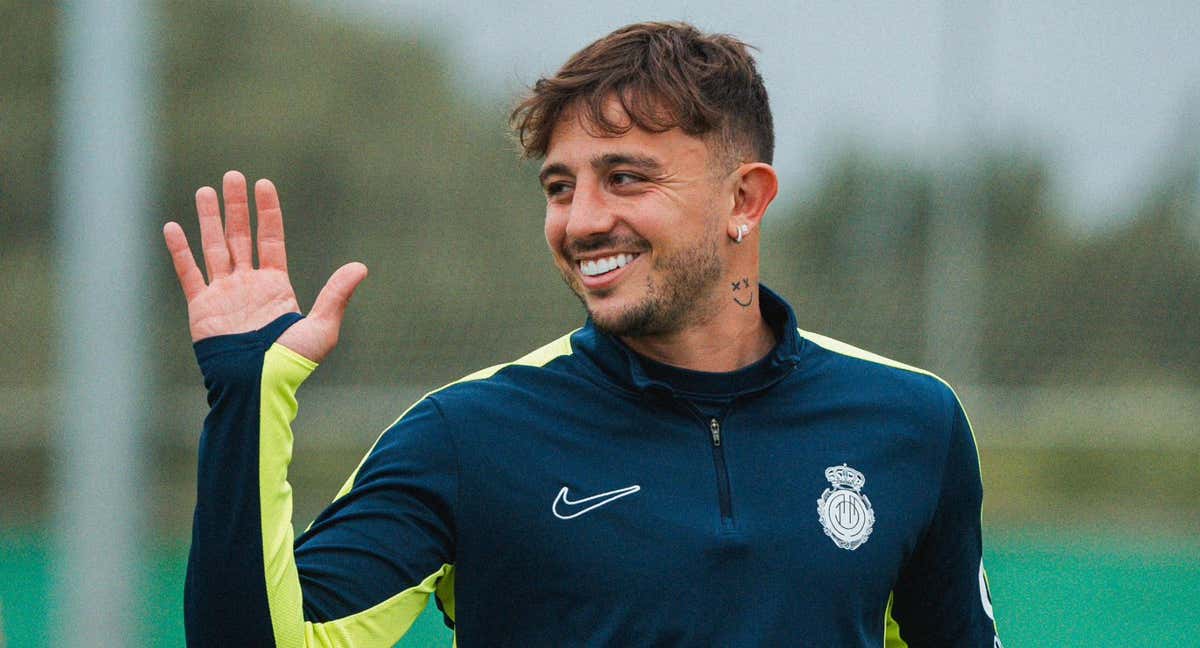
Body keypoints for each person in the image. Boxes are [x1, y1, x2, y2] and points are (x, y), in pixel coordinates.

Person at [164, 21, 1001, 647]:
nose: (582, 221)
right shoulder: (470, 434)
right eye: (560, 188)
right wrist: (248, 400)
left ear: (745, 200)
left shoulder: (911, 421)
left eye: (625, 178)